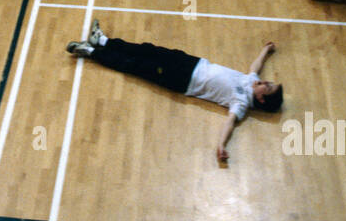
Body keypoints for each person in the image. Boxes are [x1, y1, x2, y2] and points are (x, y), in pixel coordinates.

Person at [66, 23, 282, 163]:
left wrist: (221, 145)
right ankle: (103, 41)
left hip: (182, 80)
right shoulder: (252, 81)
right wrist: (266, 51)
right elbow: (255, 67)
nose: (264, 81)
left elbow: (230, 122)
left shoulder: (242, 102)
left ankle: (91, 52)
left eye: (268, 86)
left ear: (261, 98)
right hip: (192, 62)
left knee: (136, 65)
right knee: (148, 50)